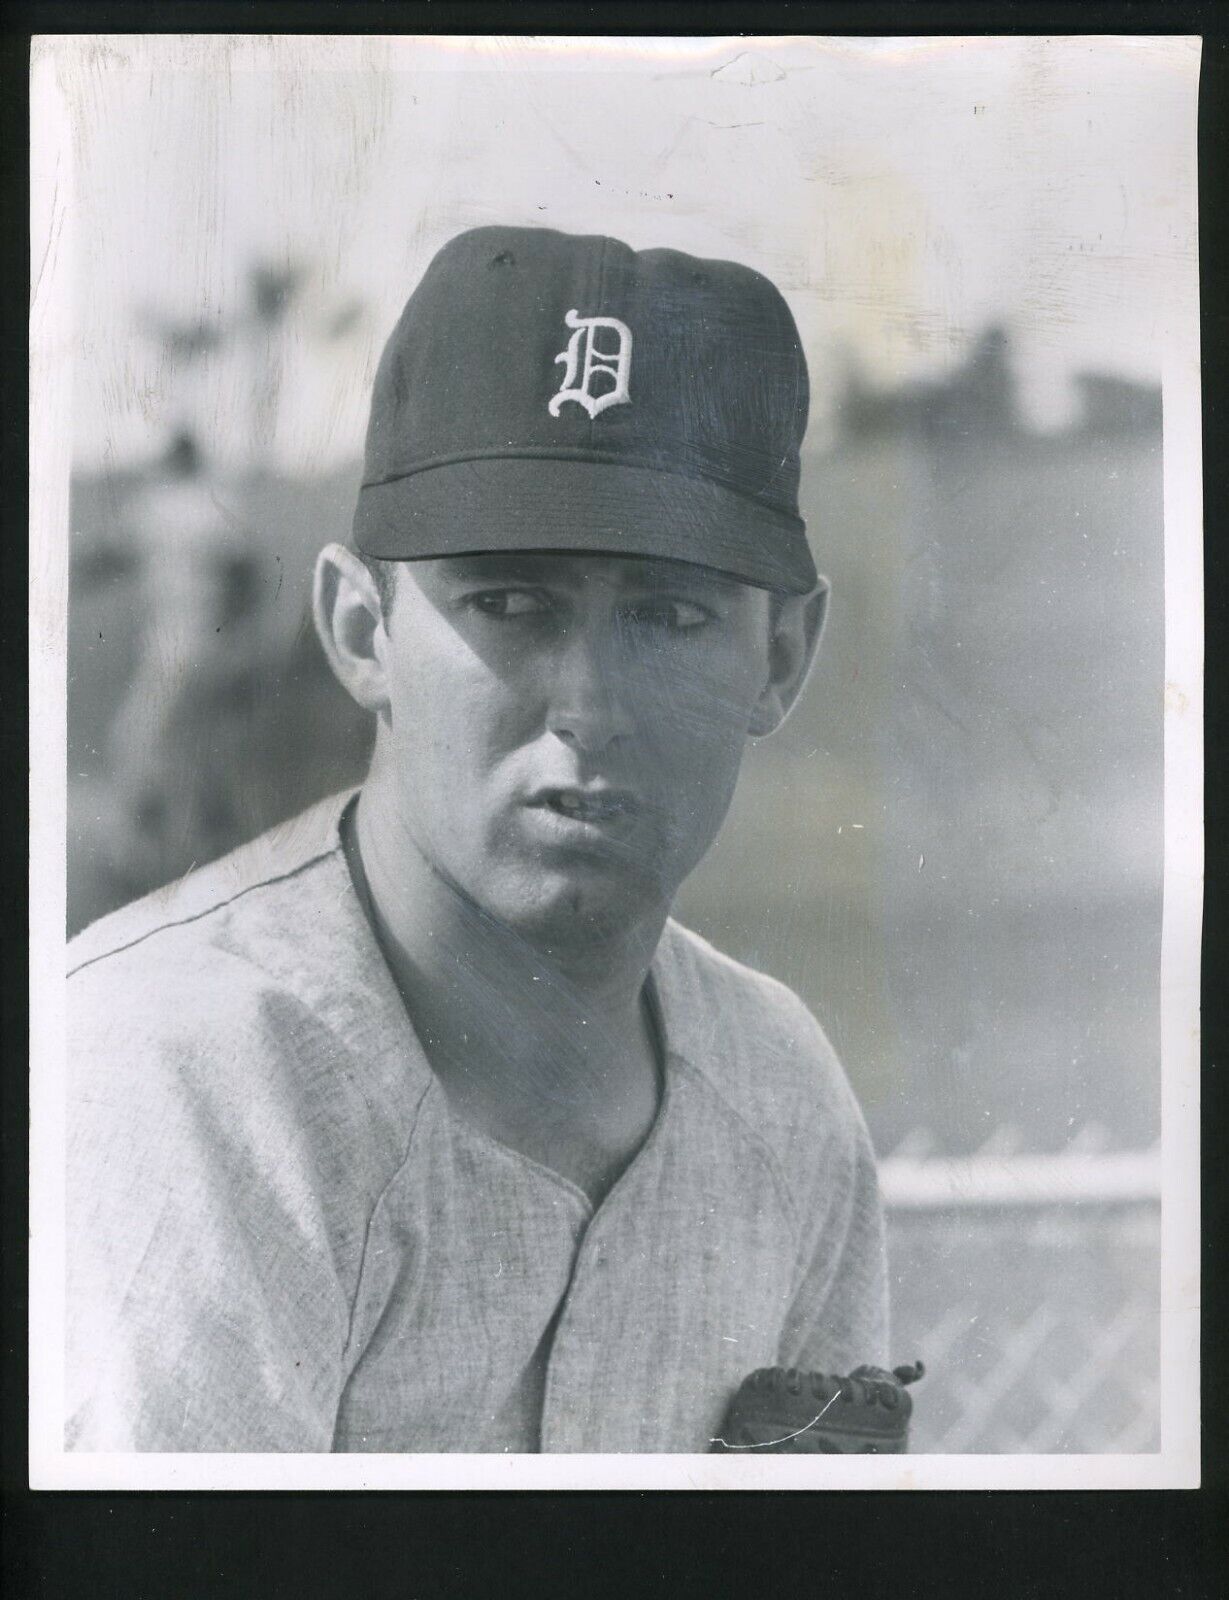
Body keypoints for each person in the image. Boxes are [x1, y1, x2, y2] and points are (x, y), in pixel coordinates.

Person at [65, 224, 889, 1453]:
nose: (590, 708)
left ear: (778, 658)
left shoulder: (782, 1092)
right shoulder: (182, 1073)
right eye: (508, 603)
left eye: (668, 614)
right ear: (359, 626)